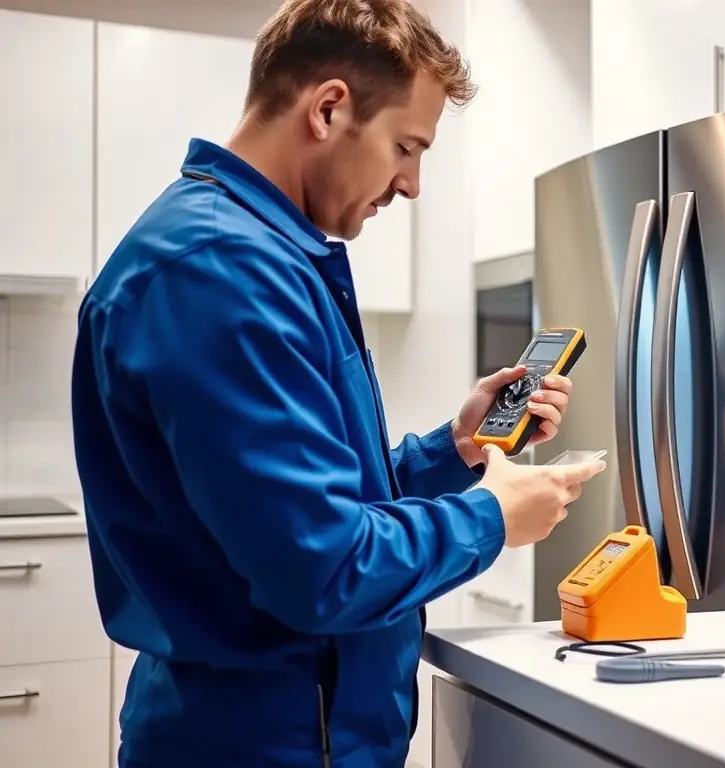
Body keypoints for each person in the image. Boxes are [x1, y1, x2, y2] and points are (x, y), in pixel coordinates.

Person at [70, 1, 606, 766]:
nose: (413, 184)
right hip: (261, 747)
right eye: (406, 147)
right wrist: (490, 516)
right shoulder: (222, 273)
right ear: (328, 109)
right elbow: (323, 567)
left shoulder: (265, 258)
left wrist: (454, 451)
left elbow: (308, 504)